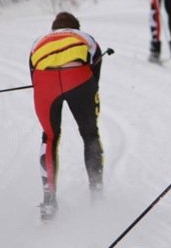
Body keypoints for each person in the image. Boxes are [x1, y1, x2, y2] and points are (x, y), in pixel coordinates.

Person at [29, 12, 104, 221]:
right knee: (90, 134)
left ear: (53, 29)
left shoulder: (39, 42)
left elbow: (33, 77)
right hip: (78, 78)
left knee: (50, 137)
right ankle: (96, 190)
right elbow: (95, 73)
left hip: (46, 83)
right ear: (76, 27)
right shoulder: (84, 37)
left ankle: (49, 200)